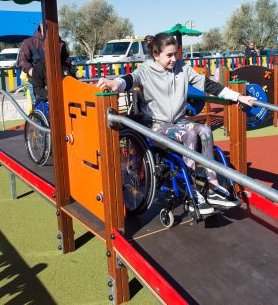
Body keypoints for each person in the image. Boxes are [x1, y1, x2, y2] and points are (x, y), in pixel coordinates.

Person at [97, 33, 256, 215]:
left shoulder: (182, 68)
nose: (174, 59)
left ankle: (213, 187)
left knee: (204, 130)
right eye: (169, 55)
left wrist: (238, 96)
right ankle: (193, 193)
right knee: (190, 134)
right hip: (156, 125)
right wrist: (114, 83)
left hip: (178, 121)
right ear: (156, 54)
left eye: (175, 54)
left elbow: (208, 85)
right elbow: (129, 80)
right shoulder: (145, 70)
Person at [17, 23, 75, 102]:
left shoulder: (60, 43)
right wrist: (31, 71)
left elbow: (66, 62)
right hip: (36, 83)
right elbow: (22, 61)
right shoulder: (29, 42)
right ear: (41, 26)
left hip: (56, 82)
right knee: (40, 109)